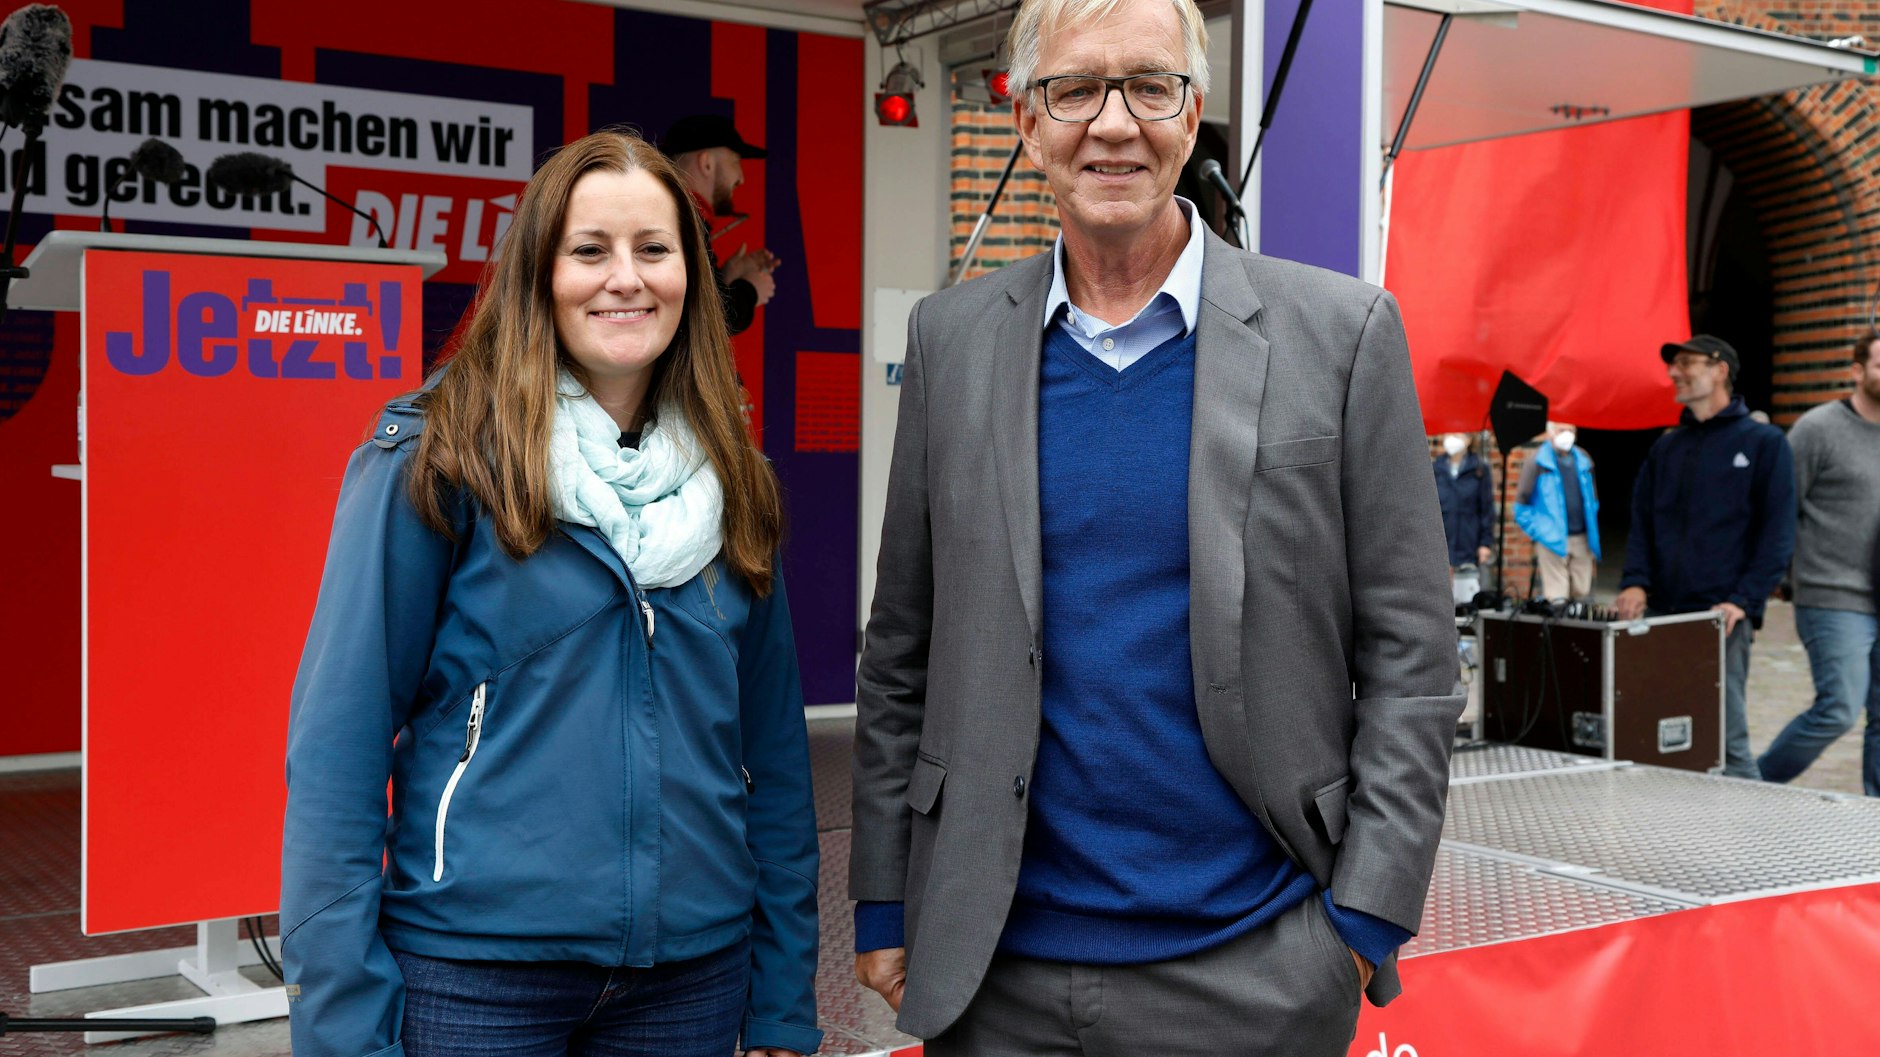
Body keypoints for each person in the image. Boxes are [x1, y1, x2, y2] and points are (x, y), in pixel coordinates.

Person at [849, 1, 1462, 1054]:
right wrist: (882, 896)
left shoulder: (1341, 334)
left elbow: (1413, 653)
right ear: (1026, 121)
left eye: (1148, 85)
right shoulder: (952, 341)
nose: (1113, 122)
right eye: (1074, 89)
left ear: (1192, 110)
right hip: (993, 978)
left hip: (1255, 970)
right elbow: (901, 646)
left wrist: (1364, 917)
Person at [280, 130, 821, 1057]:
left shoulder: (734, 482)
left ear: (690, 276)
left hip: (692, 979)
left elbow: (774, 759)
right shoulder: (437, 455)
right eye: (590, 250)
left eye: (654, 249)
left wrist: (781, 992)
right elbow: (339, 749)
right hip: (474, 978)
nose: (626, 278)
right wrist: (342, 1026)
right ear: (539, 271)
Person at [1615, 334, 1795, 780]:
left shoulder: (1764, 443)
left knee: (1726, 741)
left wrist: (1744, 600)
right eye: (1673, 365)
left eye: (1686, 363)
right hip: (1661, 613)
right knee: (1655, 730)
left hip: (1721, 618)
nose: (1674, 373)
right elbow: (1643, 521)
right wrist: (1634, 581)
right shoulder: (1667, 447)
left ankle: (1751, 819)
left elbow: (1778, 532)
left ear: (1720, 370)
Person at [1757, 331, 1880, 794]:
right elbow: (1778, 508)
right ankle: (1753, 781)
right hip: (1832, 594)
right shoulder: (1818, 428)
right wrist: (1781, 576)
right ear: (1857, 371)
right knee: (1839, 709)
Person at [663, 113, 779, 335]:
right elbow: (710, 319)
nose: (741, 178)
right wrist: (751, 289)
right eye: (735, 161)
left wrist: (726, 276)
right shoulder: (680, 221)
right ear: (706, 163)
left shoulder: (673, 214)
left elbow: (691, 303)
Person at [1512, 421, 1601, 601]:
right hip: (1552, 537)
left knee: (1582, 589)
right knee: (1557, 596)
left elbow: (1592, 498)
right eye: (1562, 430)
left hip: (1582, 536)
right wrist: (1541, 531)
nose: (1567, 434)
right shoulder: (1537, 462)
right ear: (1550, 432)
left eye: (1570, 430)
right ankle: (1558, 618)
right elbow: (1521, 506)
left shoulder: (1583, 459)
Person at [1434, 432, 1495, 573]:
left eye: (1458, 435)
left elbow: (1486, 509)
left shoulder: (1479, 469)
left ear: (1469, 440)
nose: (1452, 439)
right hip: (1442, 541)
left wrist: (1485, 543)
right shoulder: (1436, 468)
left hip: (1469, 543)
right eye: (1449, 434)